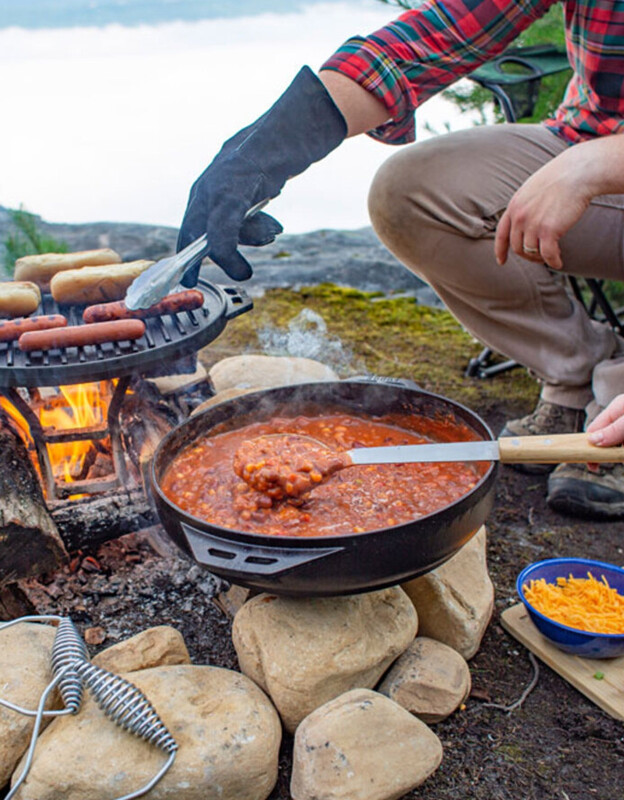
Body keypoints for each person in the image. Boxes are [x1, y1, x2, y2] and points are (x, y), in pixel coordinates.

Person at [177, 0, 624, 521]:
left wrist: (600, 162)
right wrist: (270, 145)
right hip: (585, 137)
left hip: (597, 159)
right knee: (408, 191)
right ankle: (577, 376)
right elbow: (436, 35)